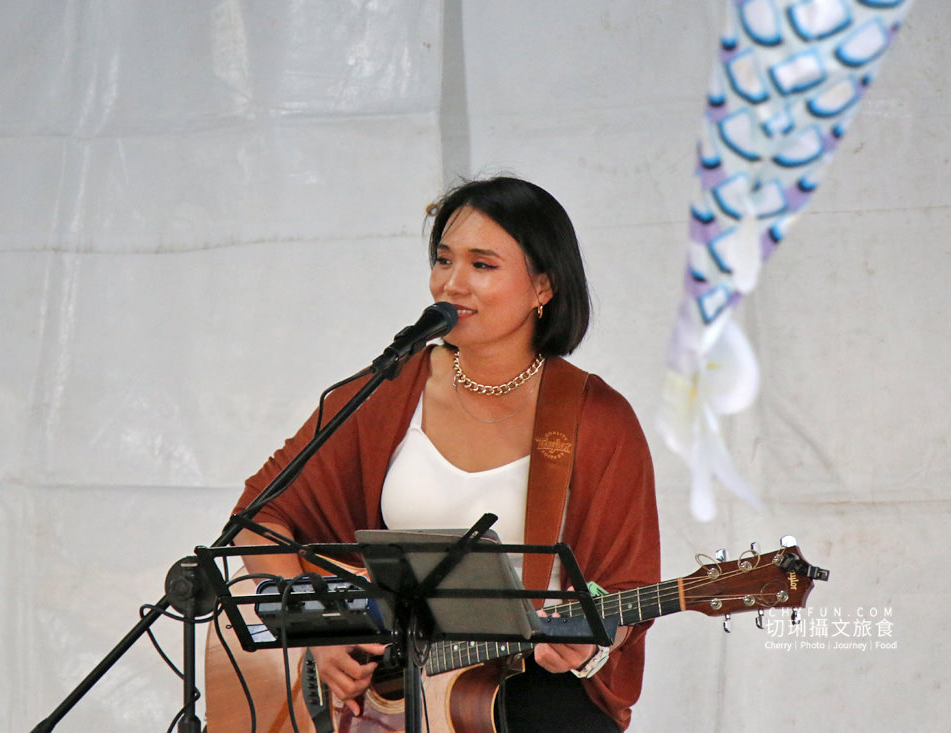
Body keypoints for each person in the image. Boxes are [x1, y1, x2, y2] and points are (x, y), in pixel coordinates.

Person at [230, 176, 661, 731]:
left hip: (529, 685)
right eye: (443, 260)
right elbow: (259, 517)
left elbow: (626, 589)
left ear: (543, 286)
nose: (451, 284)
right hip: (389, 698)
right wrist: (319, 630)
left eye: (482, 265)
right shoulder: (387, 391)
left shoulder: (598, 417)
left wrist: (595, 640)